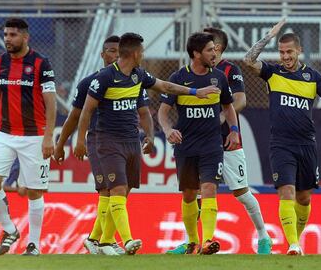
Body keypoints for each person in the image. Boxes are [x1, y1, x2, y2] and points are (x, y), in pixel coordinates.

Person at [74, 32, 220, 255]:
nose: (143, 55)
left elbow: (166, 87)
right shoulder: (103, 78)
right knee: (118, 189)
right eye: (142, 51)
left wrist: (194, 92)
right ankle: (124, 240)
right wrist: (80, 140)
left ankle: (98, 239)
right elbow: (86, 111)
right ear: (134, 53)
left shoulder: (138, 75)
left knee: (125, 190)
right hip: (108, 140)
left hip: (131, 139)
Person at [243, 19, 321, 255]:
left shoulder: (312, 77)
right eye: (281, 52)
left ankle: (296, 241)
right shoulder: (272, 72)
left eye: (289, 51)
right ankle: (293, 244)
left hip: (306, 144)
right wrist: (268, 36)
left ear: (299, 51)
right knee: (286, 192)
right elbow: (248, 60)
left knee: (303, 198)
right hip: (281, 144)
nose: (285, 57)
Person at [53, 35, 153, 255]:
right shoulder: (90, 82)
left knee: (120, 192)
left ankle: (96, 239)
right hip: (99, 139)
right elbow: (75, 116)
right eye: (110, 50)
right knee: (109, 190)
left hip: (125, 139)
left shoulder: (134, 79)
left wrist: (148, 134)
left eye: (118, 51)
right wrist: (62, 144)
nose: (115, 55)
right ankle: (110, 241)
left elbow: (143, 110)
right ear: (102, 54)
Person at [158, 32, 240, 255]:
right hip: (186, 145)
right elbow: (163, 113)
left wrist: (233, 131)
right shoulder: (178, 78)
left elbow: (228, 107)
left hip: (212, 145)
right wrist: (167, 130)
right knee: (188, 193)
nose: (215, 53)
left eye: (215, 49)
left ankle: (208, 240)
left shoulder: (219, 77)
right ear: (196, 54)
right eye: (210, 50)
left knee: (210, 188)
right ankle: (193, 242)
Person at [0, 18, 57, 256]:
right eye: (5, 34)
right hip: (4, 133)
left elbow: (51, 102)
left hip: (35, 136)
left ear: (25, 37)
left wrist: (48, 137)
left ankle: (33, 245)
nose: (7, 38)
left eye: (13, 35)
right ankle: (9, 229)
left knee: (34, 191)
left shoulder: (40, 64)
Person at [203, 27, 272, 254]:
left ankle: (263, 235)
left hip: (227, 139)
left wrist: (221, 118)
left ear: (218, 48)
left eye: (207, 44)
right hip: (202, 140)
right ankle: (195, 240)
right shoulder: (197, 69)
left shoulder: (230, 69)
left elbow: (240, 101)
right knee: (196, 191)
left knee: (241, 192)